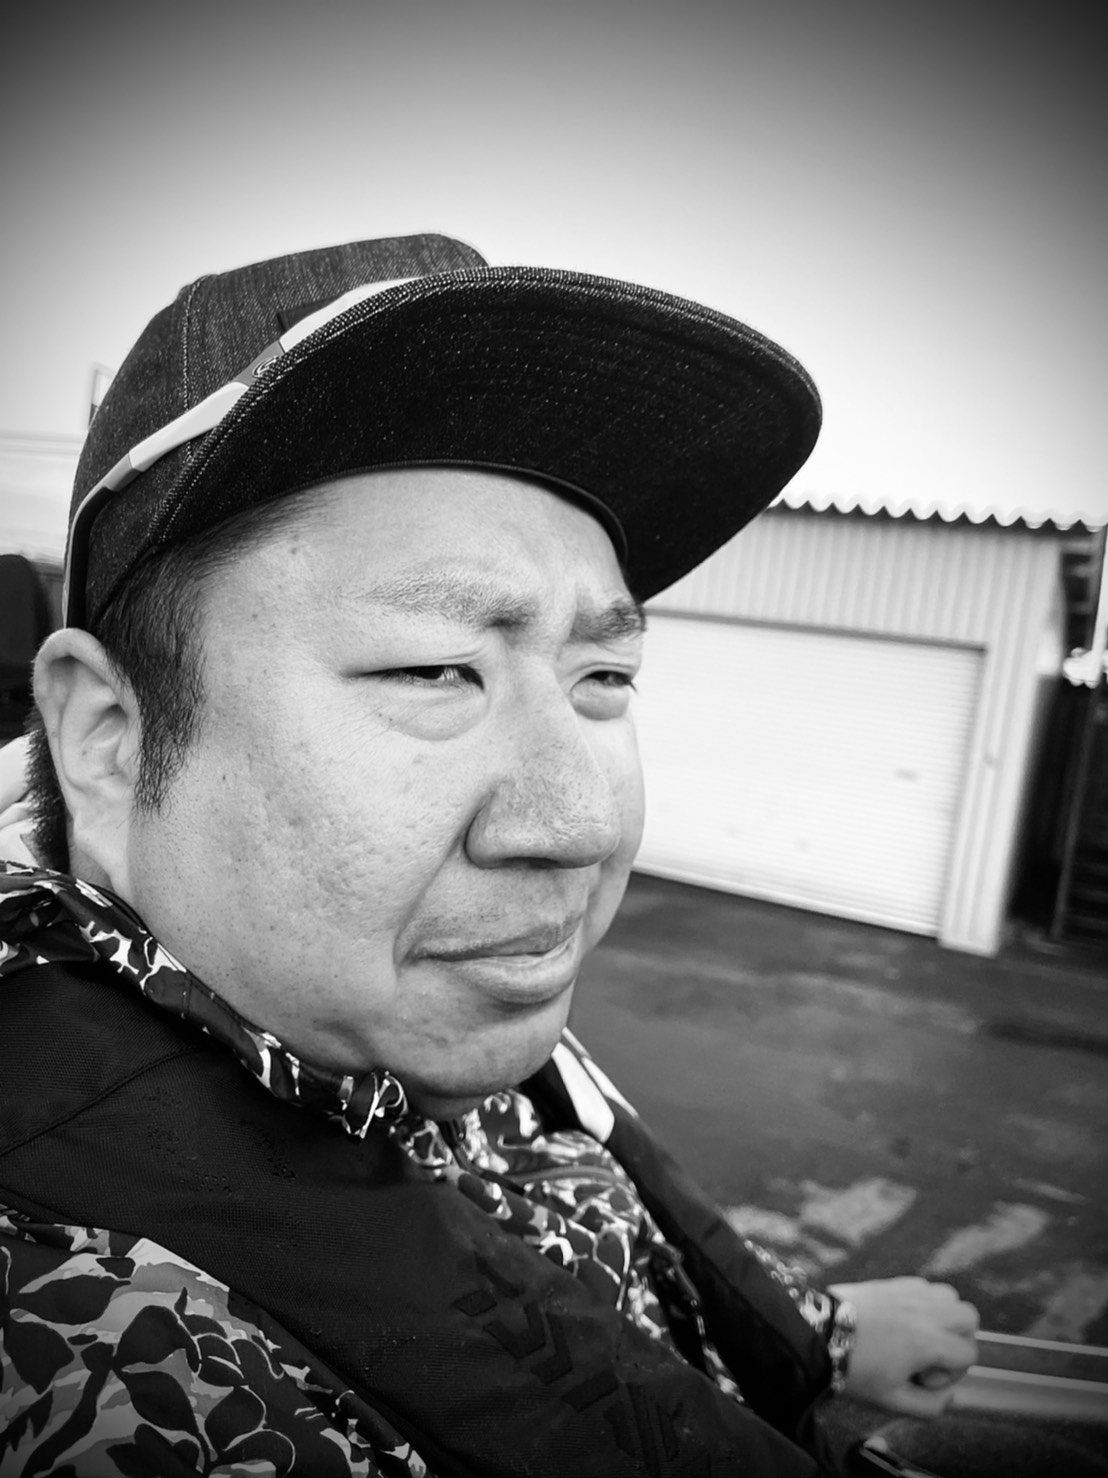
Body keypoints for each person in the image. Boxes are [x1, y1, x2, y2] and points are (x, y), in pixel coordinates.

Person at [0, 234, 978, 1477]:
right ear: (108, 736)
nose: (580, 825)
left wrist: (815, 1333)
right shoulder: (94, 1343)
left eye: (603, 674)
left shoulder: (390, 997)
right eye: (433, 669)